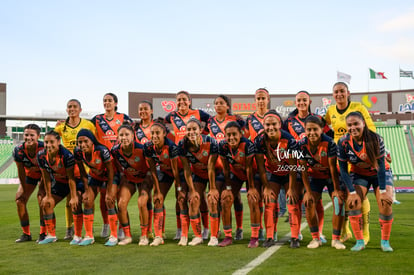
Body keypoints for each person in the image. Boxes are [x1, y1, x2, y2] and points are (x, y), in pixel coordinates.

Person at [325, 82, 375, 245]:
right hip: (340, 159)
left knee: (360, 195)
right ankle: (346, 231)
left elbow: (371, 128)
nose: (339, 94)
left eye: (342, 91)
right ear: (333, 95)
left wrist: (370, 151)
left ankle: (365, 231)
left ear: (348, 93)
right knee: (342, 195)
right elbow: (323, 128)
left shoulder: (358, 107)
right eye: (336, 92)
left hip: (356, 158)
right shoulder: (330, 111)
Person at [337, 112, 394, 252]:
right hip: (359, 174)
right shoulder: (343, 142)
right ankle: (359, 241)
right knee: (352, 202)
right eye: (349, 125)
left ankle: (385, 242)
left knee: (385, 202)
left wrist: (383, 191)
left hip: (380, 173)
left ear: (363, 123)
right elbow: (344, 170)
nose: (353, 127)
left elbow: (380, 166)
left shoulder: (375, 139)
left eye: (356, 123)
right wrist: (351, 192)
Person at [283, 91, 333, 243]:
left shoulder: (318, 119)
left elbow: (329, 136)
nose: (302, 103)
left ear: (309, 101)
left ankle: (319, 232)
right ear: (295, 102)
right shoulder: (289, 121)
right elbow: (283, 139)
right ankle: (296, 233)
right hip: (296, 165)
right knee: (295, 198)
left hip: (314, 165)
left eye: (304, 100)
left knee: (314, 200)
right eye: (299, 100)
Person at [164, 90, 211, 239]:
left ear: (189, 101)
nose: (181, 102)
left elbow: (212, 122)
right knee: (181, 195)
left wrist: (204, 136)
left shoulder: (198, 113)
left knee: (199, 195)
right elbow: (162, 126)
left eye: (184, 99)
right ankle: (180, 229)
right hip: (180, 158)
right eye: (179, 100)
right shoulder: (171, 116)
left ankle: (206, 228)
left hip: (196, 159)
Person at [296, 116, 346, 249]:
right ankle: (315, 238)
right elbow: (303, 169)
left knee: (338, 202)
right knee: (309, 202)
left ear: (321, 130)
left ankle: (336, 239)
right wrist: (307, 191)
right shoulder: (301, 145)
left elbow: (332, 168)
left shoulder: (329, 143)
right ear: (305, 130)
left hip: (331, 177)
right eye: (309, 129)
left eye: (315, 129)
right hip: (315, 177)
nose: (312, 132)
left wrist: (336, 189)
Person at [255, 110, 299, 248]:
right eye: (267, 125)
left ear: (279, 124)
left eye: (273, 124)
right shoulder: (260, 141)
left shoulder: (289, 140)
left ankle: (295, 237)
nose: (270, 127)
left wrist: (291, 189)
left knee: (292, 202)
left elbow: (293, 167)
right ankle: (269, 236)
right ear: (263, 125)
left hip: (288, 173)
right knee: (269, 202)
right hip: (272, 173)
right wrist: (266, 187)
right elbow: (261, 167)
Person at [91, 93, 133, 239]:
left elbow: (133, 132)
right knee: (105, 196)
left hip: (120, 161)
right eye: (105, 101)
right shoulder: (97, 119)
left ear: (115, 103)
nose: (107, 103)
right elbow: (84, 129)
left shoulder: (123, 118)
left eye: (110, 100)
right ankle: (106, 224)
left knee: (120, 196)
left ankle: (122, 226)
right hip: (104, 163)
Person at [54, 99, 96, 240]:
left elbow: (94, 142)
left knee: (88, 199)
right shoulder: (61, 127)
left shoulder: (88, 125)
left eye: (74, 107)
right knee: (70, 200)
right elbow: (53, 140)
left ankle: (89, 229)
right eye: (69, 107)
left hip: (85, 167)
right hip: (69, 168)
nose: (72, 109)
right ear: (66, 110)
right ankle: (69, 228)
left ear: (80, 109)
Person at [112, 124, 159, 246]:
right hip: (130, 179)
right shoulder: (115, 151)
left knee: (142, 202)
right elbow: (116, 164)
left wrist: (152, 183)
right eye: (121, 135)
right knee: (121, 204)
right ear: (118, 137)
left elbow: (153, 166)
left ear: (133, 136)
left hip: (144, 179)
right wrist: (122, 174)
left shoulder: (142, 149)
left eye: (127, 134)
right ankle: (128, 236)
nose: (124, 137)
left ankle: (144, 236)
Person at [178, 118, 223, 246]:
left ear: (200, 130)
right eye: (189, 129)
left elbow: (211, 167)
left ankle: (214, 236)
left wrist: (213, 188)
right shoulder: (182, 145)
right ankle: (198, 236)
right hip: (198, 173)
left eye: (194, 129)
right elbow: (187, 169)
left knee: (212, 199)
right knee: (193, 200)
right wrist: (192, 190)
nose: (191, 132)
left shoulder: (211, 142)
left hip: (216, 172)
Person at [207, 95, 246, 240]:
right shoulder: (210, 121)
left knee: (235, 197)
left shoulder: (235, 120)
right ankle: (216, 231)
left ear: (227, 106)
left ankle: (239, 229)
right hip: (217, 165)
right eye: (216, 103)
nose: (218, 106)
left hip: (233, 164)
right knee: (215, 197)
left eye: (221, 103)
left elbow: (243, 134)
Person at [218, 121, 261, 248]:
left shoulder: (247, 145)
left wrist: (252, 188)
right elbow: (226, 168)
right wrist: (228, 188)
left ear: (241, 134)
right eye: (228, 135)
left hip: (252, 174)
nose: (231, 138)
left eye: (234, 134)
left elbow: (248, 168)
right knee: (225, 199)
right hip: (236, 174)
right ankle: (228, 236)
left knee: (253, 200)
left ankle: (254, 237)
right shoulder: (223, 145)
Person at [36, 130, 83, 244]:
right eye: (46, 142)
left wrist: (73, 197)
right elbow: (46, 177)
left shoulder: (66, 155)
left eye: (52, 142)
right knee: (46, 203)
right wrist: (48, 196)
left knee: (75, 203)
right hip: (60, 182)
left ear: (58, 142)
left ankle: (77, 236)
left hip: (75, 181)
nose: (48, 145)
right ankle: (51, 235)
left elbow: (71, 178)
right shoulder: (41, 155)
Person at [74, 129, 117, 246]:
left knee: (109, 200)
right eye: (80, 142)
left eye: (85, 141)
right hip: (94, 176)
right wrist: (87, 190)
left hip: (111, 176)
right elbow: (83, 173)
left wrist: (109, 191)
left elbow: (111, 171)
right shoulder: (77, 152)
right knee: (87, 200)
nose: (82, 145)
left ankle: (114, 236)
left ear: (92, 141)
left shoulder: (102, 151)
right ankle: (89, 236)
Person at [143, 120, 182, 246]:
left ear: (164, 133)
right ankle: (159, 236)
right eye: (152, 133)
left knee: (180, 199)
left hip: (179, 173)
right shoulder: (148, 147)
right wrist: (157, 190)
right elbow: (153, 169)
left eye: (157, 133)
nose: (154, 135)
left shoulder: (171, 147)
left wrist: (179, 188)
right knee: (157, 199)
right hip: (164, 171)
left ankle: (181, 231)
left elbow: (176, 170)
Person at [245, 88, 272, 241]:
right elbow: (246, 139)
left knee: (269, 199)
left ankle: (271, 230)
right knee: (255, 198)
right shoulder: (249, 119)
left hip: (271, 165)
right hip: (255, 164)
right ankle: (258, 229)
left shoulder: (273, 116)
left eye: (263, 98)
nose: (261, 101)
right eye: (258, 98)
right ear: (255, 101)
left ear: (268, 99)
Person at [13, 124, 46, 243]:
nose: (28, 137)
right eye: (26, 135)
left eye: (32, 135)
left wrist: (42, 188)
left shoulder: (44, 148)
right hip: (29, 176)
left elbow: (46, 170)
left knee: (42, 200)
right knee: (19, 200)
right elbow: (21, 172)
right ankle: (26, 234)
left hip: (44, 176)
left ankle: (43, 233)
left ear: (38, 136)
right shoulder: (18, 150)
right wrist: (24, 189)